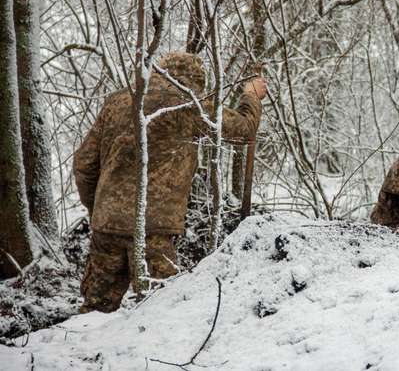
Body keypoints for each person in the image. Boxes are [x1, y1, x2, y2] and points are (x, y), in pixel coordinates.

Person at [74, 51, 267, 313]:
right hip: (155, 230)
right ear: (196, 80)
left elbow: (84, 164)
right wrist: (252, 96)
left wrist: (97, 207)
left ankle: (84, 353)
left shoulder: (118, 101)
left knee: (94, 311)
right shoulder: (187, 106)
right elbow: (244, 131)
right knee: (159, 311)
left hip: (106, 226)